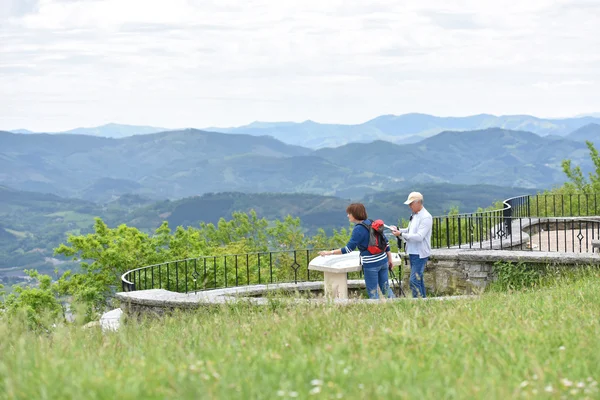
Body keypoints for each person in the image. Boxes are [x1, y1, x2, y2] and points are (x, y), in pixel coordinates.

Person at [318, 203, 394, 299]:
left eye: (349, 213)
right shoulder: (371, 222)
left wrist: (329, 253)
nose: (348, 215)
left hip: (371, 264)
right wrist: (389, 259)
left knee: (373, 292)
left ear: (355, 214)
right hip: (383, 261)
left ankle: (377, 311)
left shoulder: (358, 229)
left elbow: (348, 249)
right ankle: (396, 307)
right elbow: (385, 242)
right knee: (386, 289)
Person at [390, 192, 432, 298]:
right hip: (413, 252)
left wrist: (401, 234)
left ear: (418, 203)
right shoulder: (414, 215)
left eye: (411, 204)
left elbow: (419, 237)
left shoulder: (426, 217)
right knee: (419, 279)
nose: (409, 206)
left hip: (420, 253)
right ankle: (423, 301)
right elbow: (410, 231)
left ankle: (417, 302)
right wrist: (398, 230)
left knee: (413, 281)